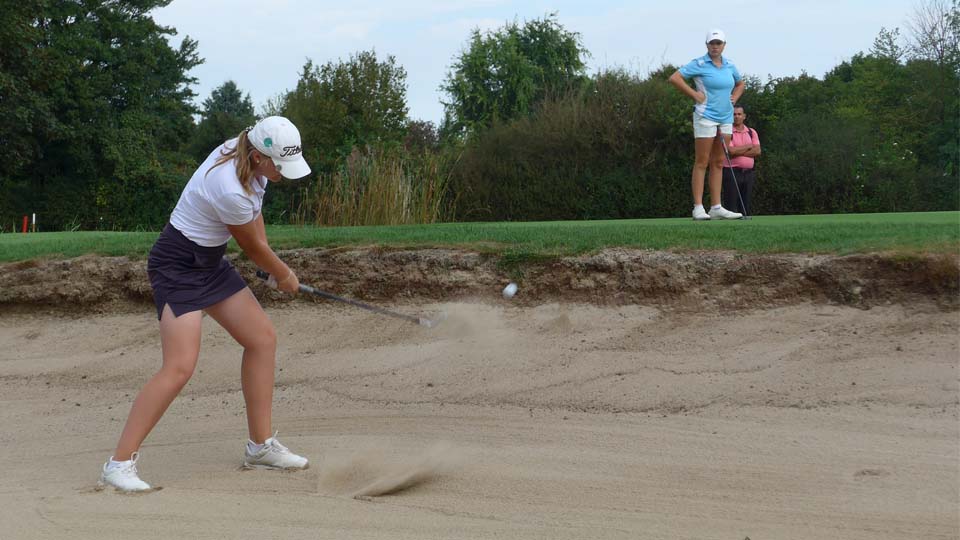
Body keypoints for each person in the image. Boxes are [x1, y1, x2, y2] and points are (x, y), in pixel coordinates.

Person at [98, 116, 312, 492]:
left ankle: (260, 448)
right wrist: (283, 274)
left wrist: (272, 265)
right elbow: (251, 245)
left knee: (262, 338)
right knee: (180, 366)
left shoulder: (250, 158)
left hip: (209, 263)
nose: (282, 174)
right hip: (177, 265)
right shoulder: (227, 184)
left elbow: (256, 221)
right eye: (279, 165)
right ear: (260, 156)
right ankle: (117, 465)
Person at [668, 29, 745, 220]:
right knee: (702, 161)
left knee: (719, 162)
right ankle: (698, 207)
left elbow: (740, 83)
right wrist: (694, 95)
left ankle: (716, 207)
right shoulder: (699, 63)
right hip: (705, 116)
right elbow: (675, 78)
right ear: (707, 45)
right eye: (712, 43)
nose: (715, 46)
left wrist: (734, 98)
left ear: (724, 45)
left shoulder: (730, 65)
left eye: (718, 43)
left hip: (725, 117)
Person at [721, 105, 761, 215]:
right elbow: (731, 152)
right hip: (731, 171)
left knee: (745, 206)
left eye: (739, 114)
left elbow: (757, 151)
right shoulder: (727, 132)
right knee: (731, 206)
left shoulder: (751, 132)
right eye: (734, 114)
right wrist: (748, 146)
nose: (736, 116)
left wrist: (739, 150)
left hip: (749, 173)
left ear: (744, 116)